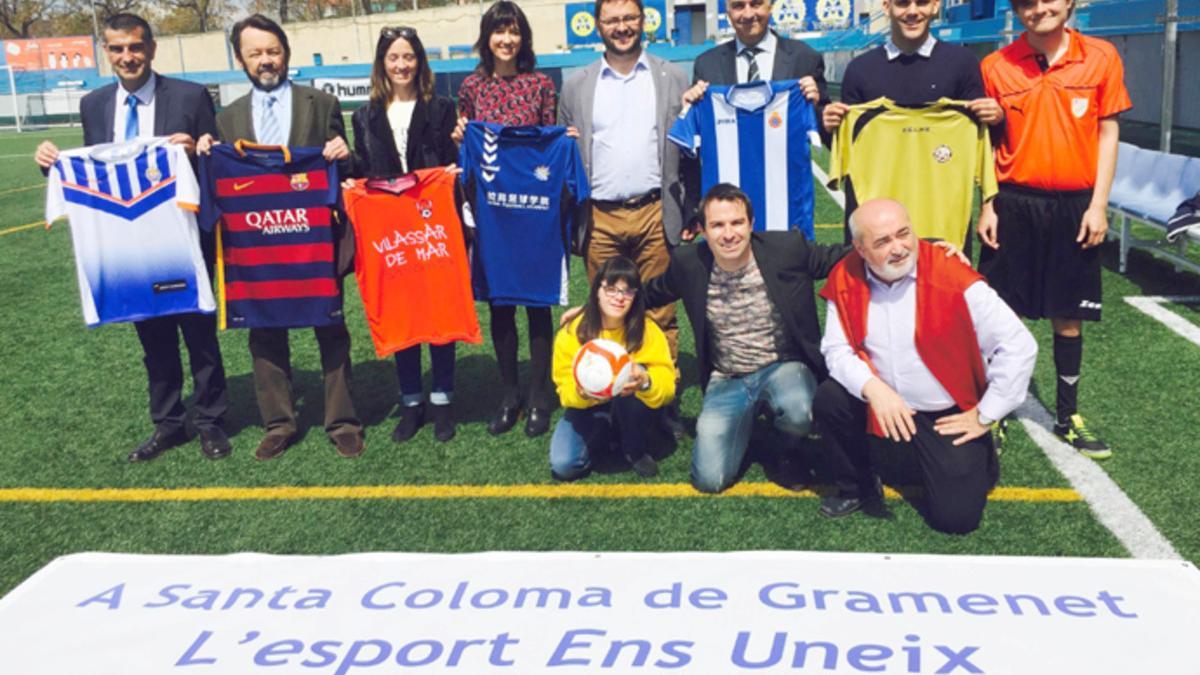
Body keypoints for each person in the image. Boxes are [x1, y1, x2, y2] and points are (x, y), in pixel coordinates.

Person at [33, 13, 230, 463]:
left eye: (136, 47)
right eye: (118, 49)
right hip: (128, 241)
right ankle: (167, 423)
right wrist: (51, 163)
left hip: (182, 236)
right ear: (107, 52)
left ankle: (212, 421)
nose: (128, 56)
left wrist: (194, 151)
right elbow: (91, 169)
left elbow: (214, 158)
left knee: (198, 331)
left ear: (152, 48)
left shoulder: (189, 95)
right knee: (152, 335)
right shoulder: (94, 104)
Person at [814, 199, 1037, 534]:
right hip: (883, 401)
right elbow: (836, 350)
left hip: (943, 413)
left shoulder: (953, 274)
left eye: (904, 234)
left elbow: (1019, 345)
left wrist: (985, 414)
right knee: (830, 399)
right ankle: (856, 484)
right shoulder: (845, 275)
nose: (899, 248)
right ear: (859, 248)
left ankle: (978, 456)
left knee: (956, 519)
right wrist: (874, 389)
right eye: (882, 242)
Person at [197, 14, 362, 460]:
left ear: (286, 52)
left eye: (273, 51)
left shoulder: (322, 103)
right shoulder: (227, 118)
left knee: (331, 326)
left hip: (313, 238)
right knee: (265, 332)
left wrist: (343, 155)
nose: (266, 61)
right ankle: (279, 422)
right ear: (241, 59)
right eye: (256, 54)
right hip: (256, 245)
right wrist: (207, 155)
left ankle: (342, 420)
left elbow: (345, 169)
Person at [977, 0, 1130, 459]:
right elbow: (983, 140)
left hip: (1075, 205)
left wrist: (1099, 205)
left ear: (1068, 2)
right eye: (1025, 2)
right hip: (1013, 203)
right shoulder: (995, 65)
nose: (1038, 9)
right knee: (1004, 315)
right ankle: (997, 411)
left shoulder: (1101, 56)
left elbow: (1108, 131)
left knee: (1069, 315)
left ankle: (1067, 417)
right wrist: (987, 204)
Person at [641, 184, 848, 492]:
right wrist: (593, 307)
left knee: (800, 410)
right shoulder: (689, 263)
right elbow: (650, 293)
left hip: (783, 367)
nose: (728, 234)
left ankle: (786, 450)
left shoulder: (786, 249)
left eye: (737, 223)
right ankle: (749, 428)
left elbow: (840, 256)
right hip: (729, 376)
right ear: (703, 230)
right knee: (709, 480)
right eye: (718, 225)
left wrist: (924, 248)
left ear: (751, 224)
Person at [558, 0, 689, 438]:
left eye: (629, 18)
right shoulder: (577, 85)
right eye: (612, 20)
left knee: (660, 311)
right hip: (600, 216)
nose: (622, 27)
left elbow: (689, 150)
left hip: (655, 210)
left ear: (643, 20)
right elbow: (565, 151)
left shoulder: (671, 77)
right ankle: (608, 394)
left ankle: (661, 398)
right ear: (598, 26)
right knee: (607, 312)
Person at [451, 0, 559, 438]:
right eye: (499, 31)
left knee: (536, 306)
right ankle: (509, 394)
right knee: (501, 305)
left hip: (532, 214)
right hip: (492, 214)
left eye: (513, 31)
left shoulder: (542, 86)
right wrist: (459, 136)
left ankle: (539, 397)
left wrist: (562, 140)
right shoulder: (472, 88)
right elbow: (464, 150)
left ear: (523, 37)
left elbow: (551, 143)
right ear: (487, 37)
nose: (507, 39)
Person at [347, 26, 461, 443]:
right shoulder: (364, 115)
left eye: (408, 57)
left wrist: (454, 165)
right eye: (393, 58)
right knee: (402, 312)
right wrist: (349, 179)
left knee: (439, 312)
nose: (401, 65)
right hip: (391, 231)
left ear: (420, 61)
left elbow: (452, 161)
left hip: (432, 225)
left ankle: (444, 399)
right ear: (382, 63)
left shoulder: (441, 108)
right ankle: (412, 402)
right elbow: (362, 169)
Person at [821, 0, 1003, 243]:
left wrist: (997, 119)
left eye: (922, 2)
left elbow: (981, 144)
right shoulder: (860, 70)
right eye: (902, 3)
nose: (913, 11)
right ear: (886, 7)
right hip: (879, 230)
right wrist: (830, 128)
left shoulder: (962, 63)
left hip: (944, 225)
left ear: (936, 6)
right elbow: (846, 151)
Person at [551, 256, 675, 480]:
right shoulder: (572, 331)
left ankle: (634, 447)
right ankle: (606, 432)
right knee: (564, 465)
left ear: (636, 296)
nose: (619, 298)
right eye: (610, 289)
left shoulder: (648, 330)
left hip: (633, 402)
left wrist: (645, 381)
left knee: (633, 369)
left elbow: (667, 385)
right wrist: (582, 392)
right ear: (596, 289)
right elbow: (564, 391)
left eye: (627, 291)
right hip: (588, 407)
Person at [683, 0, 828, 138]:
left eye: (756, 4)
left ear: (770, 7)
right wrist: (689, 111)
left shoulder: (804, 58)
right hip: (730, 162)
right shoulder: (707, 65)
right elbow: (696, 136)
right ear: (728, 14)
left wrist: (814, 109)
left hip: (786, 163)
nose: (748, 14)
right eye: (738, 6)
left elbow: (827, 133)